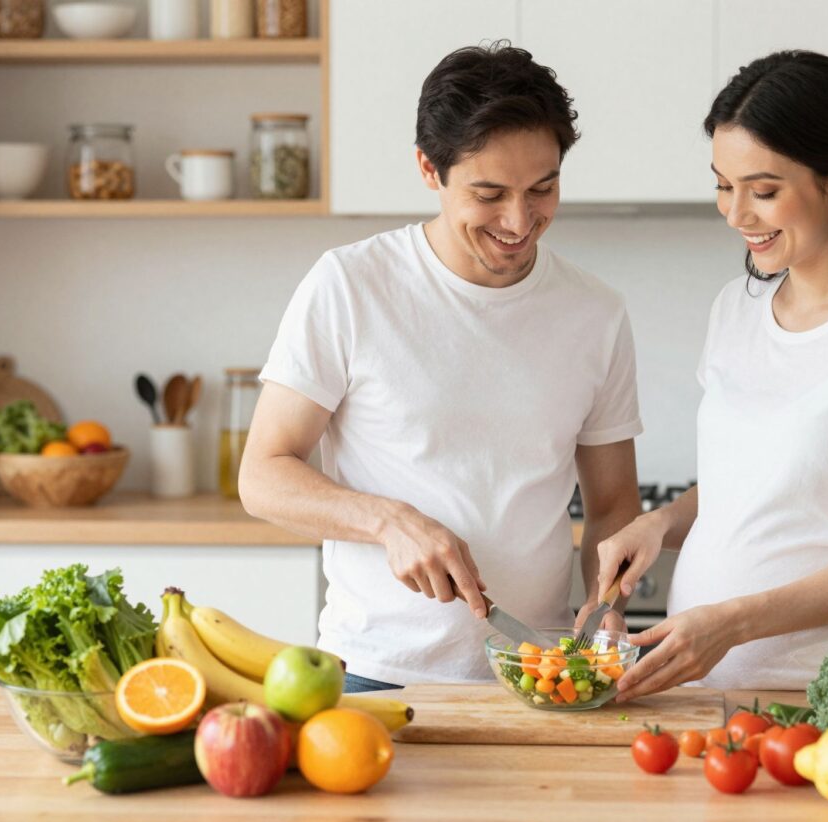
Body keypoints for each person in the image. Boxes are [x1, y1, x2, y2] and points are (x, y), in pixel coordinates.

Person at [240, 43, 642, 692]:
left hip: (537, 675)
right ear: (430, 169)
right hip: (376, 672)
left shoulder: (595, 312)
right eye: (490, 194)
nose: (520, 221)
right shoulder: (350, 285)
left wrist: (604, 613)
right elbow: (262, 476)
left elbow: (615, 501)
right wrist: (388, 521)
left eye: (543, 188)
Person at [597, 50, 828, 702]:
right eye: (723, 184)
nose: (736, 214)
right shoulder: (734, 309)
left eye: (763, 191)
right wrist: (661, 523)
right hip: (701, 697)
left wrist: (733, 622)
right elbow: (746, 488)